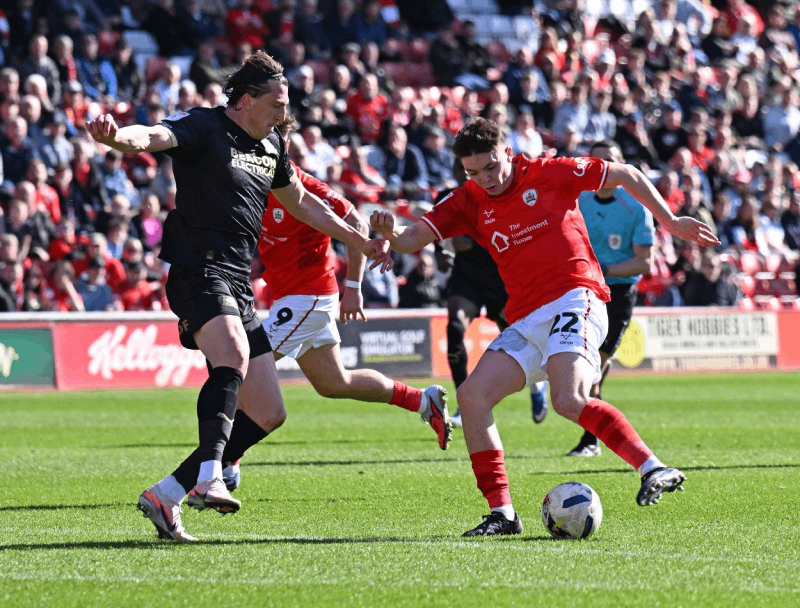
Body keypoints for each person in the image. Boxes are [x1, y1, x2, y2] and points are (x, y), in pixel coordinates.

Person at [86, 51, 390, 542]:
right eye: (277, 103)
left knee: (269, 411)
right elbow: (154, 136)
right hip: (197, 270)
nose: (283, 113)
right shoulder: (204, 126)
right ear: (245, 100)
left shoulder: (271, 145)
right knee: (231, 354)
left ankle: (166, 493)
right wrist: (117, 137)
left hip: (238, 283)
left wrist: (358, 241)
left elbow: (305, 203)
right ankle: (211, 475)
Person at [370, 118, 718, 536]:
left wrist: (671, 220)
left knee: (568, 399)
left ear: (507, 151)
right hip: (526, 317)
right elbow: (411, 239)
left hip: (577, 296)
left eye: (491, 166)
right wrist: (391, 231)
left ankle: (653, 467)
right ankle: (503, 514)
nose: (485, 179)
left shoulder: (548, 172)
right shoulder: (467, 199)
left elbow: (624, 172)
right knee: (473, 396)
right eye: (473, 172)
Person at [220, 116, 451, 492]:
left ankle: (225, 458)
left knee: (241, 366)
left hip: (309, 297)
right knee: (334, 383)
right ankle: (423, 402)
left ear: (282, 146)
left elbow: (358, 224)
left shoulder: (304, 187)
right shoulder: (249, 183)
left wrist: (354, 286)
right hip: (292, 298)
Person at [435, 158, 547, 429]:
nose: (463, 176)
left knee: (521, 337)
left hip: (501, 278)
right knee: (453, 327)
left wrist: (471, 242)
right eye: (458, 170)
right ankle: (465, 405)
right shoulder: (445, 198)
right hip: (466, 279)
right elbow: (437, 235)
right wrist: (442, 253)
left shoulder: (497, 196)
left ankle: (537, 386)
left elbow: (513, 232)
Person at [565, 141, 654, 457]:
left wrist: (602, 268)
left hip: (616, 294)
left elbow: (644, 262)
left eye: (610, 160)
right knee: (585, 365)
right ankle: (591, 439)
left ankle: (591, 440)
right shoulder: (579, 202)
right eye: (597, 160)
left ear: (621, 165)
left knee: (595, 365)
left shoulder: (636, 207)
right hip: (582, 290)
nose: (603, 166)